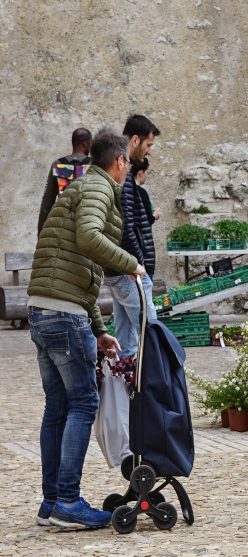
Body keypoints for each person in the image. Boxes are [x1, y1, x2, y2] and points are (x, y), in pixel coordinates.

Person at [27, 128, 146, 530]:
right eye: (128, 161)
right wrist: (131, 263)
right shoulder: (97, 189)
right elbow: (90, 238)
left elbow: (81, 270)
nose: (129, 168)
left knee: (58, 408)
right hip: (62, 314)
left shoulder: (80, 188)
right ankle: (68, 501)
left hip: (44, 309)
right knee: (83, 403)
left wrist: (97, 329)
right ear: (119, 162)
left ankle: (50, 503)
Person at [104, 114, 160, 360]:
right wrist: (138, 266)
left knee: (127, 347)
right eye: (148, 145)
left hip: (120, 271)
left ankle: (128, 396)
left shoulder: (119, 169)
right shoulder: (122, 172)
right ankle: (155, 395)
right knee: (152, 339)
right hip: (129, 272)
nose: (149, 152)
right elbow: (125, 228)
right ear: (135, 140)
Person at [38, 127, 92, 232]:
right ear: (85, 144)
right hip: (87, 225)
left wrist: (41, 233)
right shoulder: (94, 165)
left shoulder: (57, 165)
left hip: (62, 225)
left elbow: (47, 203)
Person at [132, 158, 156, 226]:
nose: (147, 176)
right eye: (147, 173)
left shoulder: (126, 189)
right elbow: (148, 220)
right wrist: (155, 215)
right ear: (141, 173)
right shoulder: (142, 193)